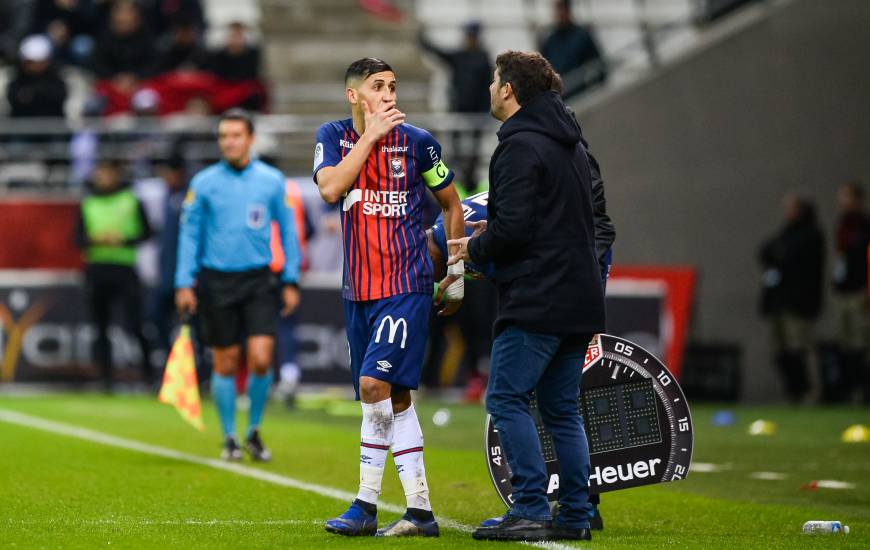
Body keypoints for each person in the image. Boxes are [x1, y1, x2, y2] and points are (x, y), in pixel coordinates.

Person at [448, 51, 605, 542]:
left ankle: (532, 506)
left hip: (539, 295)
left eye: (495, 81)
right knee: (561, 409)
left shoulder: (518, 146)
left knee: (506, 398)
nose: (491, 89)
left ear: (509, 89)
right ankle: (576, 514)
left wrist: (472, 247)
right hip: (579, 295)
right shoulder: (573, 145)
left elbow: (513, 229)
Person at [314, 58, 464, 537]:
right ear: (354, 95)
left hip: (406, 285)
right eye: (377, 86)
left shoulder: (418, 143)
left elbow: (453, 204)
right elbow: (331, 187)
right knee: (394, 397)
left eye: (393, 86)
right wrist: (370, 137)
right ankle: (420, 511)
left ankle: (364, 506)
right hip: (358, 289)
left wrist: (456, 271)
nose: (389, 94)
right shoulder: (332, 136)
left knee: (372, 387)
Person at [175, 109, 301, 462]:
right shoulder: (203, 183)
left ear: (250, 139)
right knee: (226, 361)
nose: (229, 141)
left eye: (235, 135)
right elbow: (189, 235)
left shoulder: (272, 181)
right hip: (216, 281)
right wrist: (184, 282)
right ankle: (230, 436)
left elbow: (288, 232)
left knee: (261, 358)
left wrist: (290, 278)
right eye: (223, 136)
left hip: (259, 278)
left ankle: (254, 430)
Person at [75, 159, 154, 391]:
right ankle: (105, 378)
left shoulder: (131, 199)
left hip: (124, 269)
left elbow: (147, 232)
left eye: (108, 173)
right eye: (101, 173)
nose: (104, 178)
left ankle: (149, 375)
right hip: (97, 269)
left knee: (135, 324)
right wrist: (95, 240)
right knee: (100, 327)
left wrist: (123, 240)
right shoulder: (88, 203)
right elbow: (77, 239)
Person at [759, 193, 825, 403]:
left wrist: (781, 255)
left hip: (798, 303)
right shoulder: (786, 232)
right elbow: (765, 251)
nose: (788, 212)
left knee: (801, 348)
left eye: (792, 208)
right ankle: (793, 392)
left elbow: (791, 258)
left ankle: (812, 393)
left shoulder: (812, 235)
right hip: (778, 302)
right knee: (781, 350)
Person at [419, 21, 492, 187]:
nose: (470, 40)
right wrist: (421, 38)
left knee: (474, 148)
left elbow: (487, 87)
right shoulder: (461, 56)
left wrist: (486, 111)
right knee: (457, 148)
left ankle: (470, 177)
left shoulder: (482, 59)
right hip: (459, 110)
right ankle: (461, 175)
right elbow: (438, 52)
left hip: (477, 113)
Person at [832, 182, 870, 403]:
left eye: (845, 197)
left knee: (861, 342)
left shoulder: (865, 226)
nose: (841, 202)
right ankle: (852, 391)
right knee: (846, 344)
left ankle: (863, 392)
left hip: (859, 292)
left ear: (857, 200)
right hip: (843, 292)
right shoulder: (843, 226)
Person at [540, 0, 606, 99]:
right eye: (557, 11)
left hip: (579, 93)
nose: (558, 15)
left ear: (567, 11)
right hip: (559, 97)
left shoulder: (582, 36)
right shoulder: (550, 40)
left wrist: (595, 89)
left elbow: (598, 64)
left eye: (561, 10)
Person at [6, 34, 68, 118]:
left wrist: (33, 95)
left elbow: (57, 98)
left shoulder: (56, 81)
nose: (33, 66)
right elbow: (14, 98)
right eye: (29, 62)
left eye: (37, 62)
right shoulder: (18, 80)